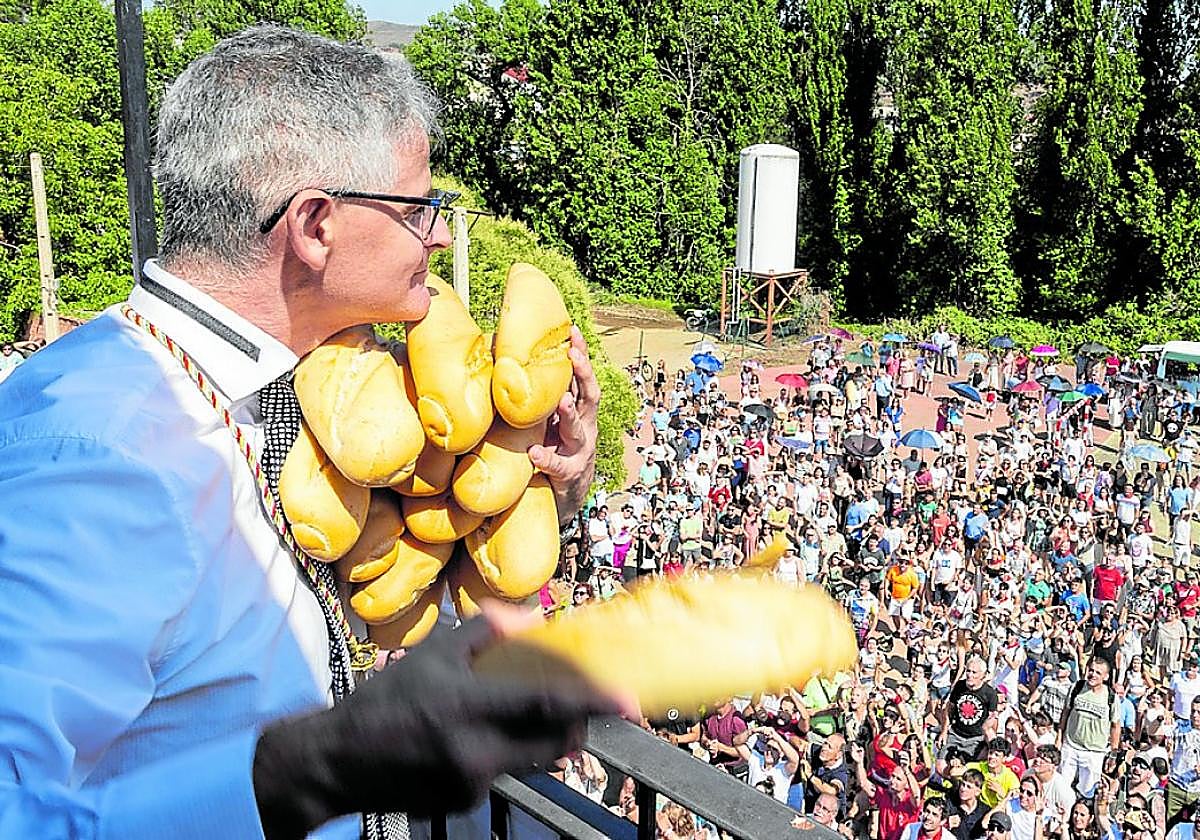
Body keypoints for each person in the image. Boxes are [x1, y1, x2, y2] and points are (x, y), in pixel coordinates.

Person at [0, 27, 621, 839]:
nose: (438, 235)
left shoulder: (315, 378)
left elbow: (403, 571)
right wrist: (328, 763)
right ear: (315, 226)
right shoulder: (97, 454)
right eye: (419, 208)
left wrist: (555, 481)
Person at [1058, 658, 1121, 798]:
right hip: (1071, 746)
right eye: (1091, 670)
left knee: (1087, 792)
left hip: (1094, 752)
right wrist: (1059, 738)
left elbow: (1115, 726)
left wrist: (1113, 753)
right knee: (1062, 787)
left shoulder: (1111, 697)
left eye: (1098, 672)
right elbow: (1065, 713)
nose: (1093, 675)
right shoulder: (1076, 688)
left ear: (1106, 676)